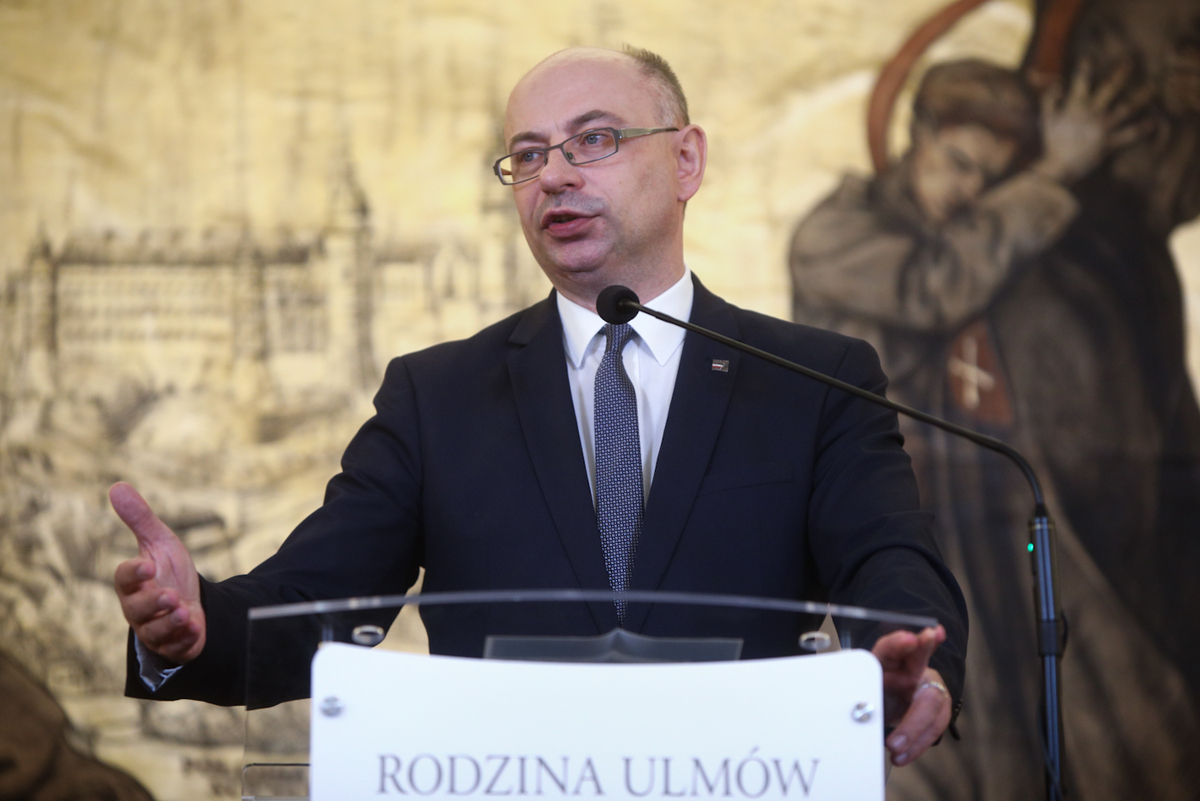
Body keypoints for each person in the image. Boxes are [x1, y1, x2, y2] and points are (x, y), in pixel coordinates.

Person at [111, 46, 967, 768]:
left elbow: (888, 559)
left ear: (686, 160)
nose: (553, 175)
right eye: (526, 155)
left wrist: (911, 667)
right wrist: (195, 628)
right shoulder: (437, 396)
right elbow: (316, 597)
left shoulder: (815, 380)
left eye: (593, 140)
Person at [791, 53, 1200, 799]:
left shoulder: (990, 230)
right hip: (882, 527)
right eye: (958, 162)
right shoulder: (835, 231)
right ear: (917, 132)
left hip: (989, 517)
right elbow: (934, 285)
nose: (968, 190)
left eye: (990, 178)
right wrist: (1053, 176)